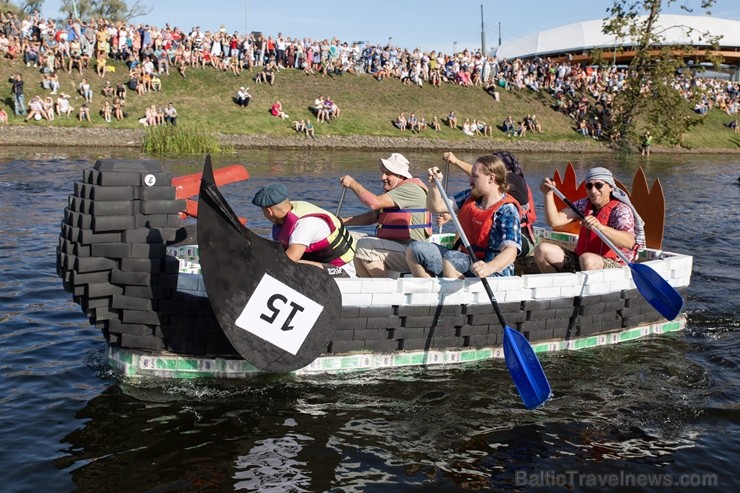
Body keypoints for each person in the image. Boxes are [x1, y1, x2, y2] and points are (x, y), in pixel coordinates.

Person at [406, 154, 521, 278]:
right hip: (467, 259)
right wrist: (435, 185)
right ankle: (431, 293)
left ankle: (452, 294)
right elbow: (436, 207)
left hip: (494, 271)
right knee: (414, 250)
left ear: (491, 178)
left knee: (452, 259)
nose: (470, 180)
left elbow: (511, 251)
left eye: (475, 176)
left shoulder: (507, 210)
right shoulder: (470, 196)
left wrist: (489, 267)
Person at [533, 167, 645, 273]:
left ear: (610, 187)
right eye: (589, 186)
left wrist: (600, 227)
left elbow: (630, 242)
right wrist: (548, 194)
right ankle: (563, 288)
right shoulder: (584, 204)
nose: (593, 190)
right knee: (542, 250)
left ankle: (589, 293)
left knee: (587, 259)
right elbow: (555, 221)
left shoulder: (621, 210)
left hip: (615, 264)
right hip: (582, 259)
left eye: (598, 185)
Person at [339, 153, 432, 277]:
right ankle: (368, 286)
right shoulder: (395, 191)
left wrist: (353, 184)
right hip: (393, 245)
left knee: (365, 246)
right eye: (383, 172)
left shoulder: (411, 189)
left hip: (411, 252)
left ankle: (386, 288)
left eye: (388, 173)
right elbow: (373, 216)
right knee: (345, 237)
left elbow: (374, 203)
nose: (383, 177)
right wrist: (342, 222)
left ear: (400, 175)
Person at [441, 151, 537, 255]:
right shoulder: (490, 192)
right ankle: (458, 256)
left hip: (521, 237)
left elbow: (481, 174)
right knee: (467, 225)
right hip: (499, 231)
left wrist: (456, 161)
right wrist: (452, 216)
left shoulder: (515, 179)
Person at [251, 183, 356, 277]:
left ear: (269, 211)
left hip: (342, 270)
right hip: (320, 263)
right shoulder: (285, 216)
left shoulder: (306, 224)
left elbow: (288, 262)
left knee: (288, 265)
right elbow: (273, 253)